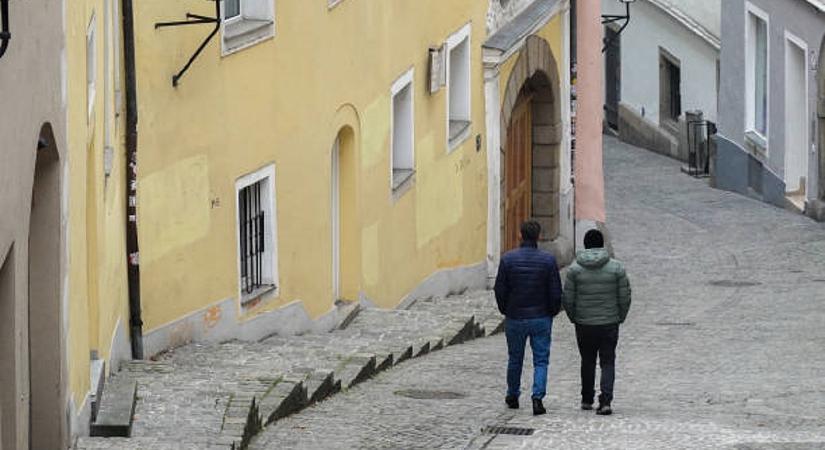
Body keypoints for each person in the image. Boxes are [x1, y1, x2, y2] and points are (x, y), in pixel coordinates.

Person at [494, 220, 563, 416]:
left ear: (520, 235)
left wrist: (505, 309)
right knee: (541, 360)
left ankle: (513, 394)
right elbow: (555, 292)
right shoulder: (548, 261)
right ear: (539, 236)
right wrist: (552, 311)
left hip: (515, 317)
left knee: (515, 358)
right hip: (540, 316)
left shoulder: (508, 260)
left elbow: (500, 289)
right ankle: (537, 397)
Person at [563, 229, 631, 416]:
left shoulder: (575, 270)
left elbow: (568, 299)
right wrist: (620, 316)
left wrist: (574, 317)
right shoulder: (616, 268)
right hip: (610, 322)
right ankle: (606, 400)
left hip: (584, 323)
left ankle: (587, 398)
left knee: (587, 360)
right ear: (602, 245)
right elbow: (625, 296)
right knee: (608, 361)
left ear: (585, 245)